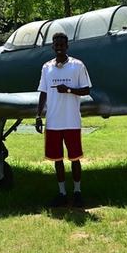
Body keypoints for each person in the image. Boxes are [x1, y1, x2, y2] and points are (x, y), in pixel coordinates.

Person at [35, 32, 92, 208]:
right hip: (53, 121)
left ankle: (77, 192)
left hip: (71, 121)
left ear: (67, 46)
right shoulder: (47, 67)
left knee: (75, 158)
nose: (59, 47)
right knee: (57, 159)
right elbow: (43, 93)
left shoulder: (77, 65)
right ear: (53, 47)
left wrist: (68, 90)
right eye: (56, 44)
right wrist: (38, 115)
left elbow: (86, 91)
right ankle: (61, 193)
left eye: (62, 44)